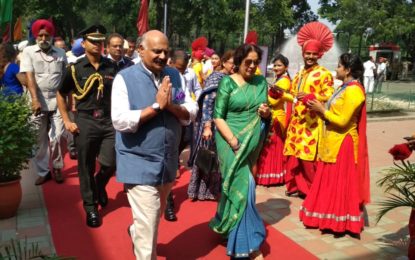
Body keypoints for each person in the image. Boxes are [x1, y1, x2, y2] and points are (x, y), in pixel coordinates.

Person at [111, 30, 197, 259]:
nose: (162, 56)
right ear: (140, 50)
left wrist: (170, 106)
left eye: (165, 52)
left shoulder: (174, 76)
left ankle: (136, 231)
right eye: (156, 51)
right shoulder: (125, 78)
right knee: (149, 227)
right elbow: (120, 120)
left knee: (151, 217)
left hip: (167, 163)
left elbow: (190, 110)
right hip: (137, 161)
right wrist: (156, 107)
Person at [210, 44, 270, 259]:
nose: (252, 66)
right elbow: (218, 116)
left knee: (244, 188)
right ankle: (249, 245)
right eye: (248, 62)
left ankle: (227, 226)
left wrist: (265, 112)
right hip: (229, 140)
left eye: (256, 62)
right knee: (245, 188)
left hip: (250, 141)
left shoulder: (261, 82)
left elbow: (265, 110)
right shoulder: (227, 82)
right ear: (239, 61)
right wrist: (234, 141)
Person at [300, 53, 370, 237]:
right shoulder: (344, 87)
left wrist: (322, 110)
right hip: (333, 139)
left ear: (347, 70)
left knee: (338, 182)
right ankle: (327, 216)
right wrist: (316, 105)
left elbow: (344, 120)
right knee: (329, 180)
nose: (336, 69)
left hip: (343, 143)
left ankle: (338, 221)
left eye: (339, 66)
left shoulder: (354, 90)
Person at [57, 25, 117, 228]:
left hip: (109, 121)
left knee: (111, 162)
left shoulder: (111, 66)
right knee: (86, 166)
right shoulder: (75, 69)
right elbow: (61, 93)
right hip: (85, 120)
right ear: (83, 44)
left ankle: (99, 184)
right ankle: (90, 207)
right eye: (93, 41)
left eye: (101, 41)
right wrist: (66, 120)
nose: (98, 44)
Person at [283, 21, 334, 197]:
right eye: (307, 53)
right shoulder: (299, 74)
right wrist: (281, 95)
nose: (310, 56)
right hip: (297, 123)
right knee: (296, 157)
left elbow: (329, 95)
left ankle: (313, 191)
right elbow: (293, 95)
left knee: (308, 159)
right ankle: (298, 187)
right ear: (303, 54)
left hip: (312, 124)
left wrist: (313, 97)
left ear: (319, 54)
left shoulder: (324, 74)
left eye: (313, 54)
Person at [20, 19, 67, 185]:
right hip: (37, 101)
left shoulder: (60, 53)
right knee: (38, 139)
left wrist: (68, 100)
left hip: (57, 101)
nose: (43, 38)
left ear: (52, 36)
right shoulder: (28, 52)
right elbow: (29, 76)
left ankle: (57, 167)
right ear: (35, 36)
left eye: (47, 35)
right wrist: (34, 99)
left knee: (57, 136)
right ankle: (43, 171)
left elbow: (64, 77)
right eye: (40, 35)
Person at [188, 50, 234, 201]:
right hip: (211, 123)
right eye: (232, 62)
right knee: (206, 156)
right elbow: (208, 103)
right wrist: (208, 126)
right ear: (224, 62)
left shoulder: (230, 78)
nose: (234, 66)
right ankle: (197, 191)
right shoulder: (216, 77)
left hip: (224, 123)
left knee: (217, 157)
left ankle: (211, 190)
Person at [256, 54, 292, 186]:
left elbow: (273, 100)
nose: (276, 67)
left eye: (279, 65)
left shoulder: (284, 81)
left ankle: (271, 177)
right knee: (268, 145)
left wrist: (262, 96)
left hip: (276, 117)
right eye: (275, 65)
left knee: (272, 146)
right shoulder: (278, 79)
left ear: (286, 67)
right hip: (271, 114)